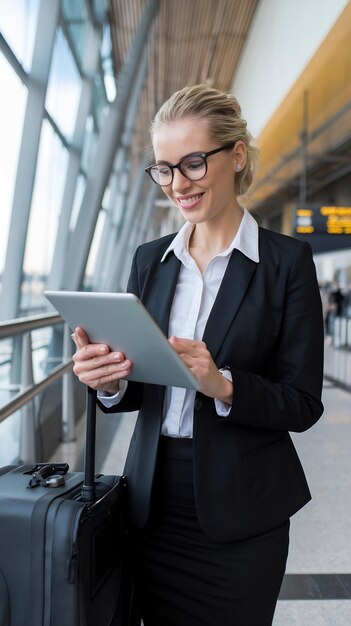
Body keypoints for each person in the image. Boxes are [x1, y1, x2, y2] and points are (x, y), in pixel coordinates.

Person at [72, 84, 324, 626]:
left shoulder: (286, 264)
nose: (177, 185)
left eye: (191, 163)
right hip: (152, 505)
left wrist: (224, 385)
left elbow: (303, 403)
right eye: (163, 169)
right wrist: (108, 380)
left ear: (236, 155)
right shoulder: (150, 261)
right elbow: (137, 386)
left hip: (244, 512)